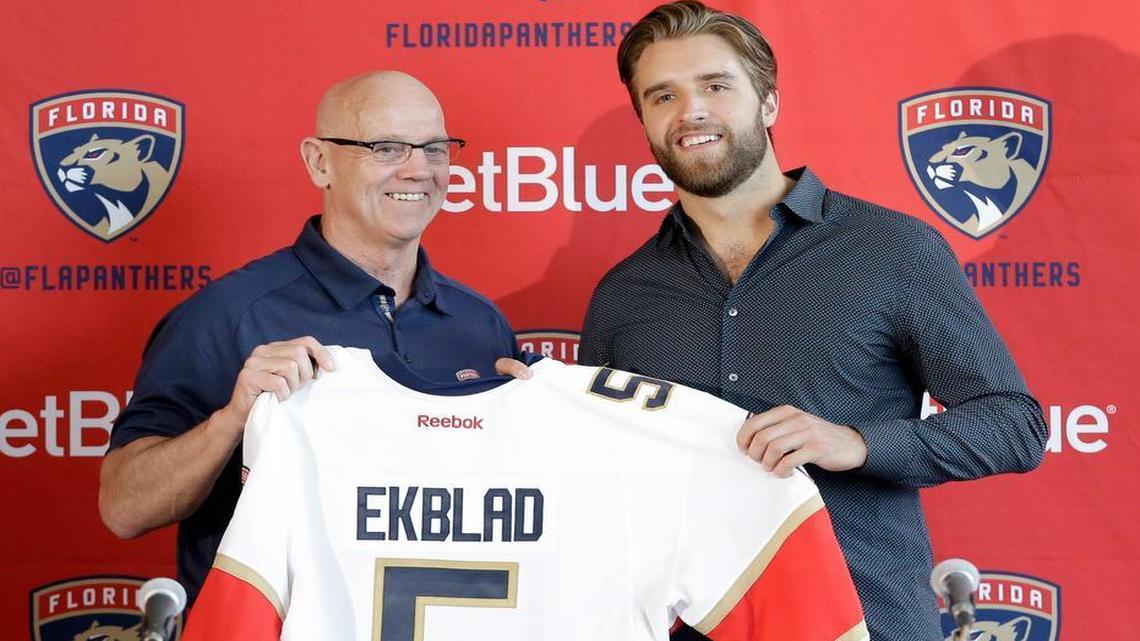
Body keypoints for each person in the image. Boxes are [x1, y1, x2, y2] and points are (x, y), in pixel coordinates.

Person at [578, 3, 1049, 640]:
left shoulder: (892, 250)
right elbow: (600, 485)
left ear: (767, 103)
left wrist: (857, 443)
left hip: (869, 621)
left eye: (716, 86)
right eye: (663, 95)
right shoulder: (623, 297)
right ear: (646, 122)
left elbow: (1013, 425)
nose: (690, 112)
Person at [98, 71, 531, 609]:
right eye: (387, 147)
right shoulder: (227, 315)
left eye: (436, 149)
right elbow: (124, 508)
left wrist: (528, 432)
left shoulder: (479, 323)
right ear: (319, 161)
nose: (419, 169)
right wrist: (235, 418)